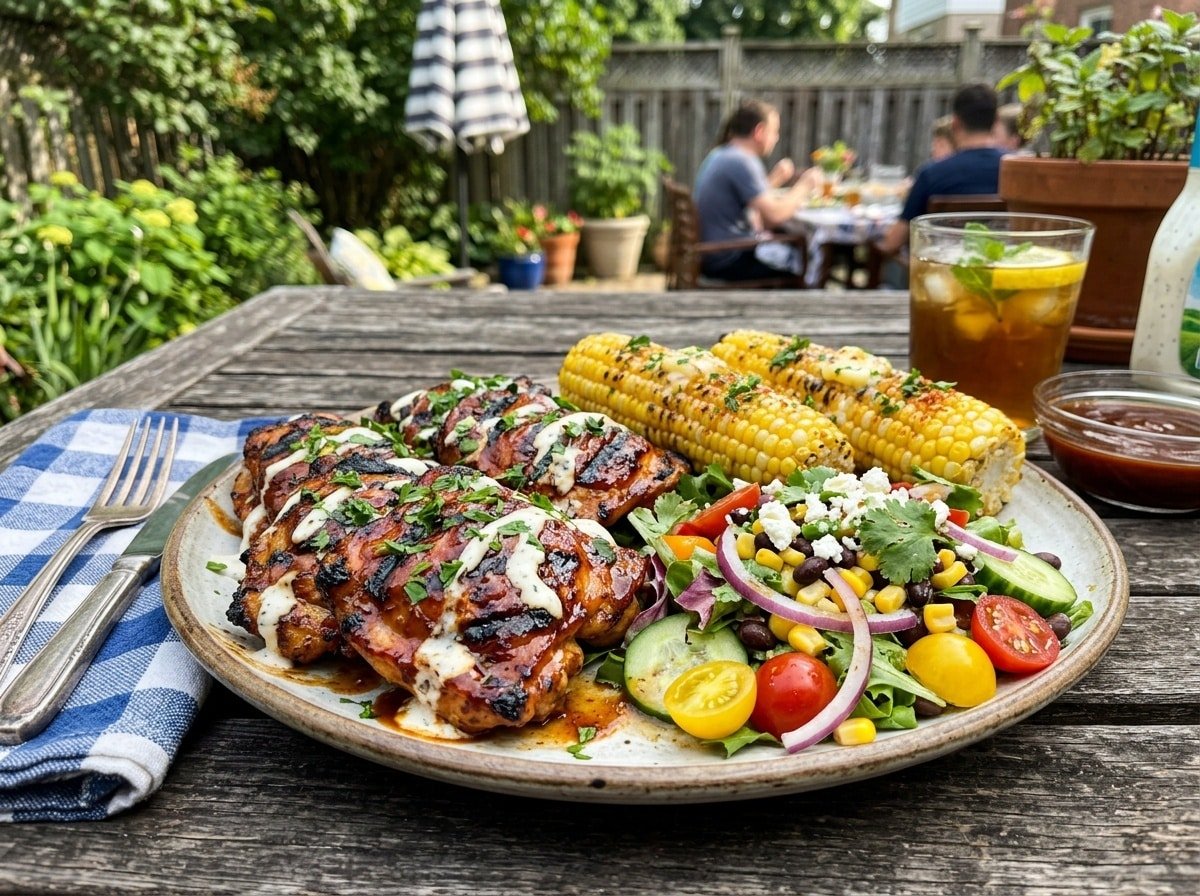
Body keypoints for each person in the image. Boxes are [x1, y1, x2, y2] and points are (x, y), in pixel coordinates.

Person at [692, 99, 823, 281]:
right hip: (728, 259)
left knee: (791, 244)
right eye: (775, 131)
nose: (776, 138)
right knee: (807, 261)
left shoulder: (722, 154)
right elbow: (774, 215)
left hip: (714, 254)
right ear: (760, 132)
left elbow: (752, 206)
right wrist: (805, 185)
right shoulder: (742, 161)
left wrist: (775, 179)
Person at [876, 83, 1005, 257]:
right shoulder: (1018, 170)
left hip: (943, 268)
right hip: (1002, 269)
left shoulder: (931, 173)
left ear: (955, 123)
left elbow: (894, 241)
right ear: (996, 121)